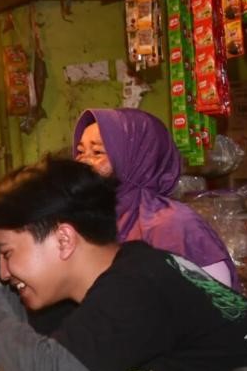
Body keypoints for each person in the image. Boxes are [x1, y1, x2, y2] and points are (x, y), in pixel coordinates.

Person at [0, 158, 247, 371]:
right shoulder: (117, 277)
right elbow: (33, 348)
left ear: (63, 239)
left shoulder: (137, 285)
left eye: (8, 253)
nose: (5, 273)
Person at [73, 108, 239, 289]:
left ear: (136, 159)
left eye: (97, 152)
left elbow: (220, 305)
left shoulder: (173, 225)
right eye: (80, 152)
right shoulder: (90, 218)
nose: (83, 162)